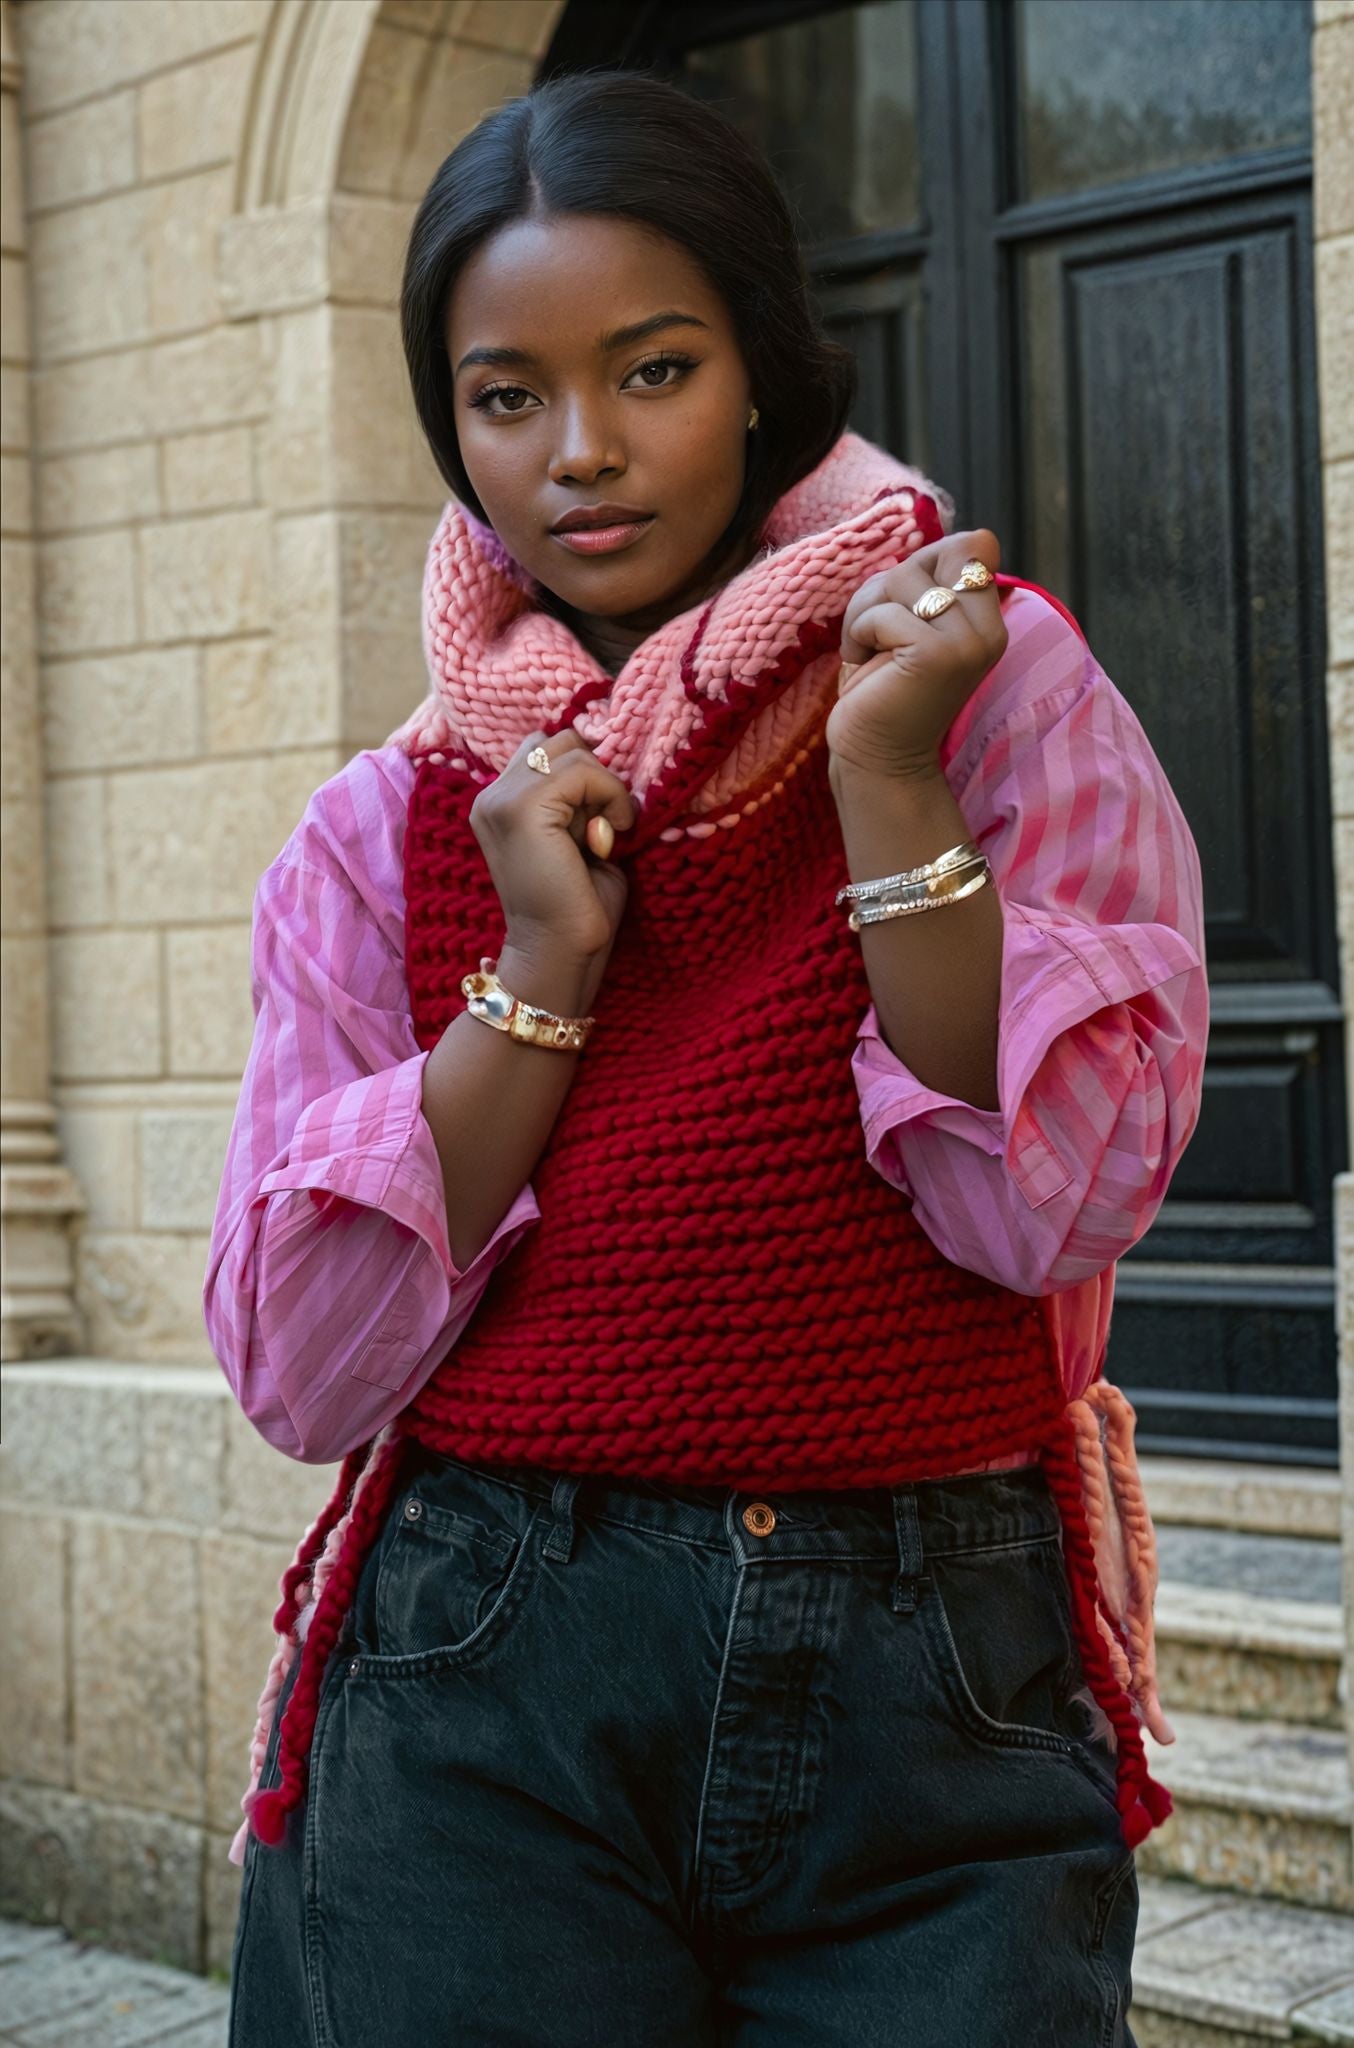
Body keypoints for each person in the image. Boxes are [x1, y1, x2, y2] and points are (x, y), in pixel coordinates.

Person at [204, 66, 1208, 2048]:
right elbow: (300, 1365)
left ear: (755, 365)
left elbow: (1048, 1198)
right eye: (506, 397)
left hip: (934, 1683)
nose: (578, 452)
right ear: (451, 426)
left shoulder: (992, 694)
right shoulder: (387, 824)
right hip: (484, 1675)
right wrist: (542, 967)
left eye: (647, 368)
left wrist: (886, 784)